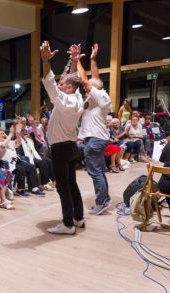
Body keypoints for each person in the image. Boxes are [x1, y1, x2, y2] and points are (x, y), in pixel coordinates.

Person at [40, 41, 84, 234]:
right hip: (72, 148)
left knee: (63, 187)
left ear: (68, 88)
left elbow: (49, 83)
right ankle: (78, 218)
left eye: (63, 83)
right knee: (72, 184)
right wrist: (73, 61)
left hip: (61, 149)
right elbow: (72, 79)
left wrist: (45, 61)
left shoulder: (64, 100)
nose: (60, 83)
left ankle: (67, 225)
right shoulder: (77, 97)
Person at [75, 43, 112, 215]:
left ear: (95, 87)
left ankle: (101, 202)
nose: (85, 87)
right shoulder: (97, 94)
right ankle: (105, 199)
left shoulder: (99, 95)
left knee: (95, 172)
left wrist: (77, 60)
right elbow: (94, 78)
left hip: (95, 140)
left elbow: (85, 80)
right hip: (96, 139)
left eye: (89, 86)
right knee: (99, 171)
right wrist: (92, 59)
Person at [0, 125, 45, 196]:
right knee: (21, 169)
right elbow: (3, 146)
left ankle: (34, 188)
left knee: (31, 167)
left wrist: (17, 133)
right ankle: (20, 190)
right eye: (1, 133)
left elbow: (18, 143)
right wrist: (10, 134)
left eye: (3, 133)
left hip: (16, 161)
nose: (3, 134)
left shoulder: (8, 142)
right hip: (6, 164)